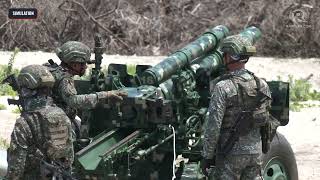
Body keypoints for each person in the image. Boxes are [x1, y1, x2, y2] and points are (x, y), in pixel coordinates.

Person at [201, 34, 272, 179]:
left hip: (230, 155)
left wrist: (207, 156)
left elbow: (213, 126)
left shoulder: (223, 87)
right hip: (255, 153)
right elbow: (267, 121)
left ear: (229, 57)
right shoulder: (261, 85)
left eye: (225, 54)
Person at [44, 41, 127, 138]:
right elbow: (74, 101)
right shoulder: (64, 79)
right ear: (74, 64)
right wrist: (105, 95)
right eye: (83, 63)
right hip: (55, 124)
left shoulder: (51, 69)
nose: (86, 66)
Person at [6, 65, 74, 179]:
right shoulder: (62, 115)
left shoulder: (24, 123)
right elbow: (69, 158)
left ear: (27, 90)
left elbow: (15, 170)